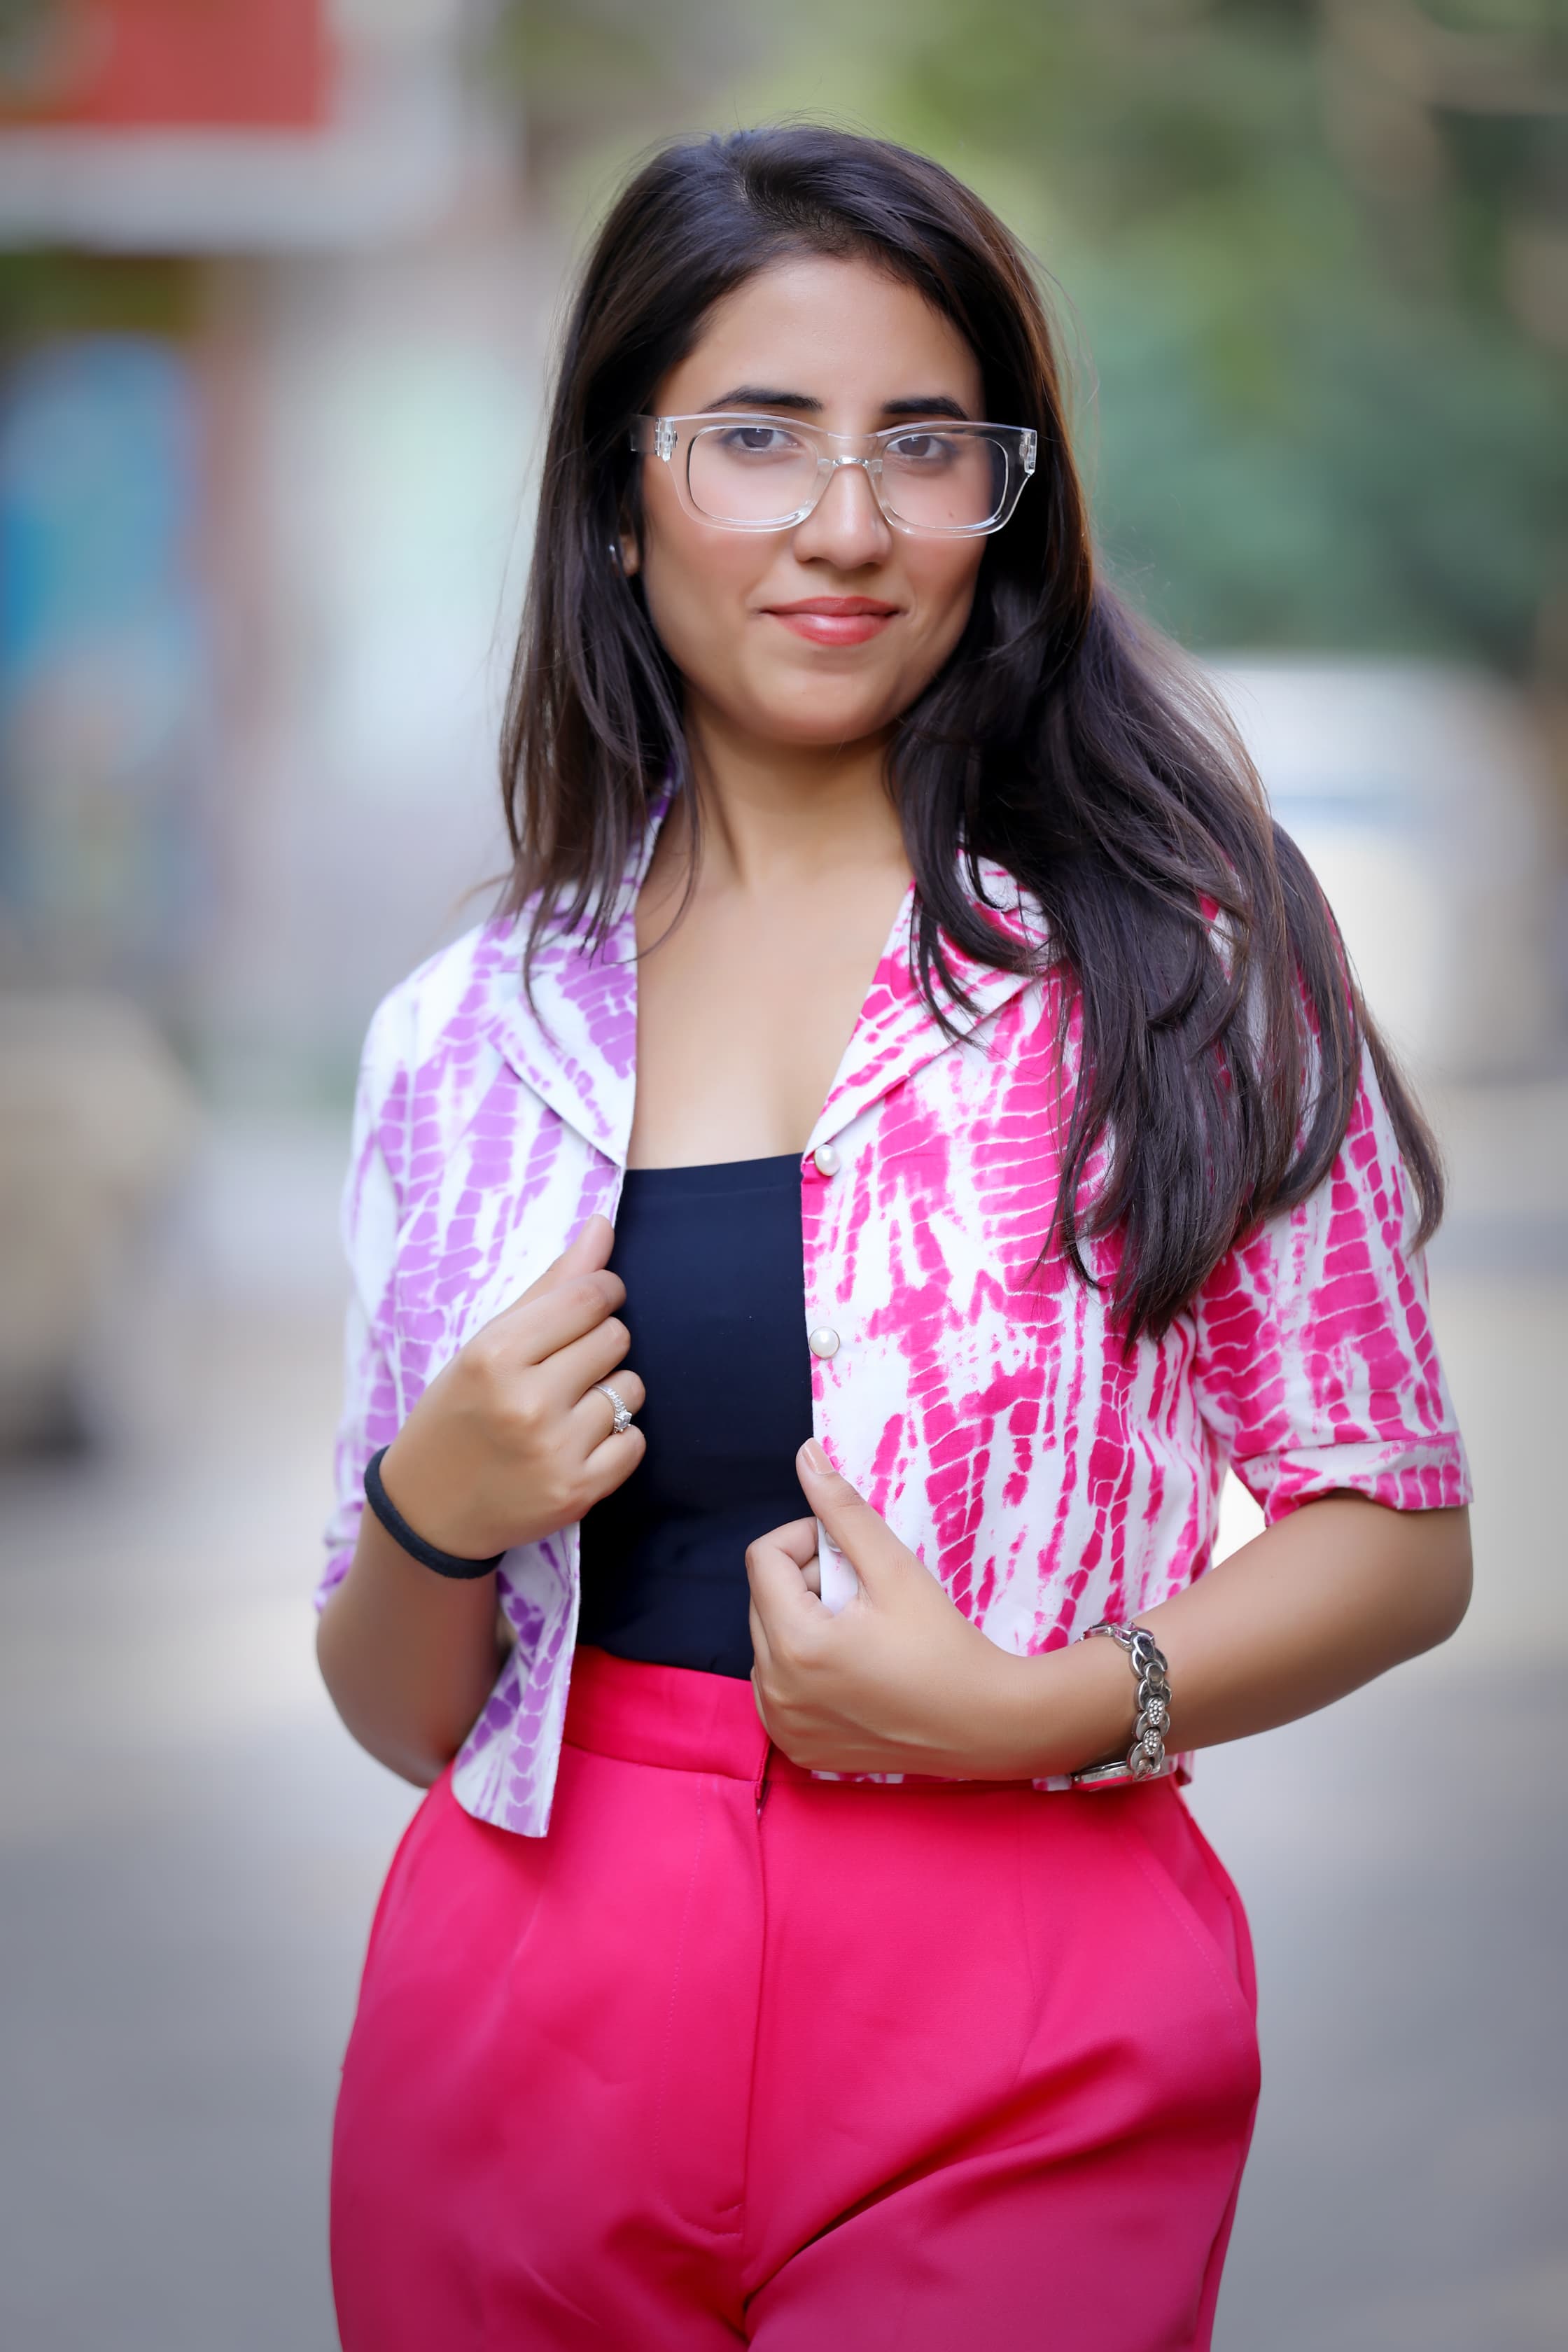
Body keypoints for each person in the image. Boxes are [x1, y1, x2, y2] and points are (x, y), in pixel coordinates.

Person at [314, 125, 1472, 2352]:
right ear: (618, 486)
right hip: (524, 2008)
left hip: (1026, 2005)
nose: (847, 526)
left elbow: (1396, 1534)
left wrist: (1045, 1709)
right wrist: (429, 1518)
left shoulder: (1176, 958)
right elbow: (402, 1714)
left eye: (923, 447)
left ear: (1001, 506)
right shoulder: (462, 1036)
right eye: (759, 439)